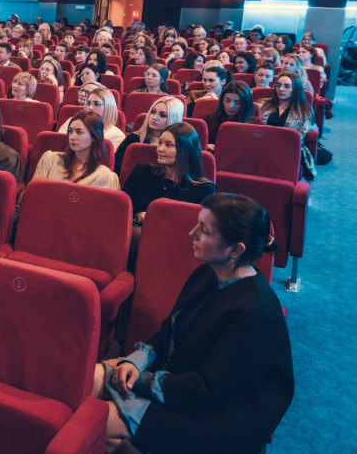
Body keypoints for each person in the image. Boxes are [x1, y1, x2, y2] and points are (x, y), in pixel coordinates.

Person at [94, 193, 293, 453]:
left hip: (217, 419)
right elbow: (170, 331)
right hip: (178, 384)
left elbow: (207, 390)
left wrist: (141, 379)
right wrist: (135, 360)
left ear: (236, 250)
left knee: (98, 420)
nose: (191, 233)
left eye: (204, 230)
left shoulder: (252, 309)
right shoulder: (207, 273)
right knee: (89, 378)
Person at [122, 122, 215, 227]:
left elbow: (195, 226)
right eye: (160, 143)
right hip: (135, 232)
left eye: (169, 145)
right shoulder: (142, 171)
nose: (160, 149)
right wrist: (138, 214)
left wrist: (154, 218)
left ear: (186, 150)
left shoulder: (203, 188)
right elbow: (122, 209)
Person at [33, 111, 120, 189]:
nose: (72, 137)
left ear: (94, 137)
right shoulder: (50, 160)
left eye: (79, 132)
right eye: (70, 131)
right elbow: (32, 195)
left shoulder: (106, 177)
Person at [258, 72, 315, 179]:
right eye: (278, 85)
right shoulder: (262, 105)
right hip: (261, 146)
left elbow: (300, 138)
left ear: (296, 89)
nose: (281, 89)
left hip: (287, 151)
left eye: (287, 86)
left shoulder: (304, 112)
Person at [114, 96, 185, 173]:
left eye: (163, 115)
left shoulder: (178, 145)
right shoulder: (134, 139)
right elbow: (117, 169)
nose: (155, 117)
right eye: (153, 112)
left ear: (173, 119)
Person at [58, 85, 125, 147]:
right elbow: (60, 146)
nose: (90, 107)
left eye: (96, 104)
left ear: (108, 107)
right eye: (88, 103)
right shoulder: (72, 122)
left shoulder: (116, 135)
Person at [204, 81, 255, 149]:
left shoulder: (255, 124)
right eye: (227, 101)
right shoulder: (209, 120)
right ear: (222, 101)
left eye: (237, 103)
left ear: (245, 104)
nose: (231, 106)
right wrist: (205, 146)